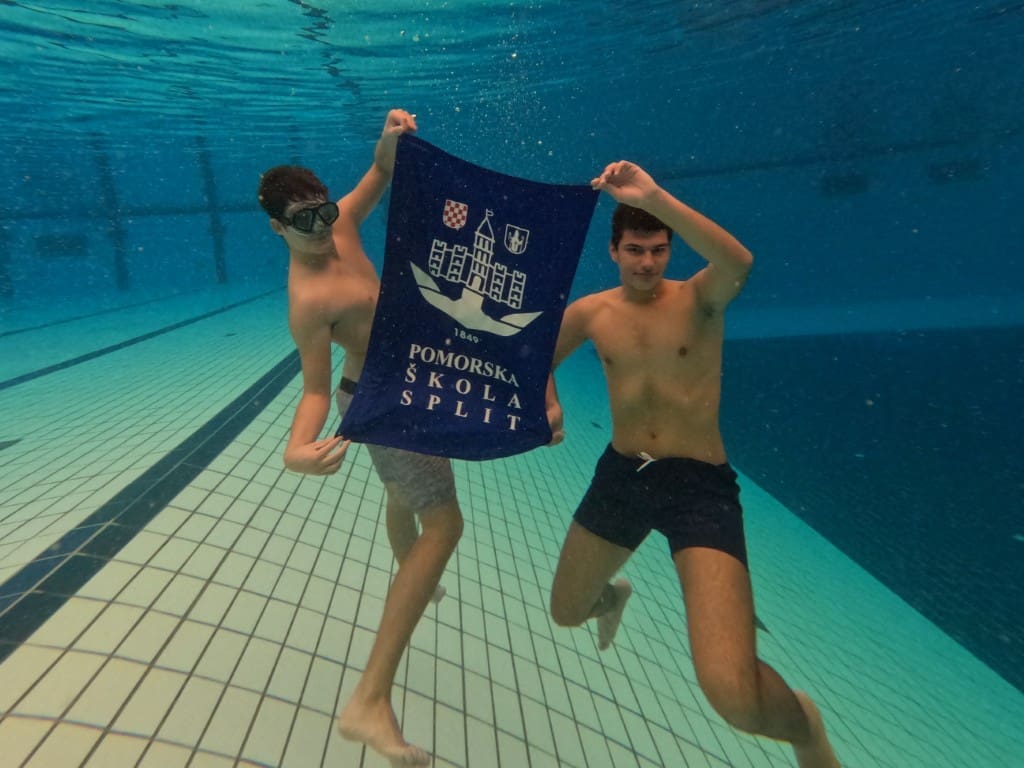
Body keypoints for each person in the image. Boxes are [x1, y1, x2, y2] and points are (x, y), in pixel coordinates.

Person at [545, 161, 841, 767]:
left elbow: (739, 261)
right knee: (567, 612)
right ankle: (613, 597)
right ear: (613, 251)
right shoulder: (592, 313)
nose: (647, 263)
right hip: (625, 473)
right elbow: (537, 362)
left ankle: (803, 724)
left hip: (699, 488)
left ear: (670, 248)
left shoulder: (702, 299)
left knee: (733, 696)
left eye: (658, 250)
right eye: (634, 250)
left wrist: (655, 196)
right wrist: (550, 406)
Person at [258, 110, 463, 768]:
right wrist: (296, 449)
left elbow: (380, 170)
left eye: (324, 211)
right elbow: (316, 390)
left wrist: (390, 134)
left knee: (403, 496)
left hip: (405, 383)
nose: (322, 228)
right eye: (304, 222)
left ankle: (412, 573)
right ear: (277, 228)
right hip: (379, 400)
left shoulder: (340, 221)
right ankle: (371, 699)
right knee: (446, 524)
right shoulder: (308, 301)